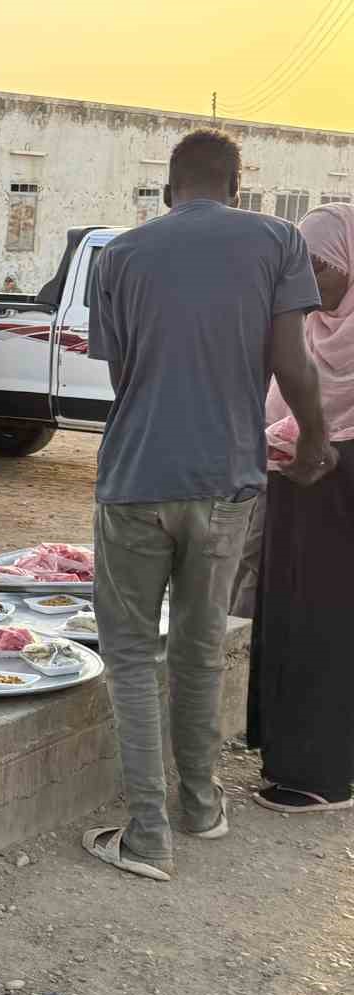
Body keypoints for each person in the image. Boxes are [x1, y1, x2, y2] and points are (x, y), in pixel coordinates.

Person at [83, 129, 333, 882]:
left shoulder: (119, 256)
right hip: (227, 479)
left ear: (167, 189)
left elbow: (123, 379)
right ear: (235, 184)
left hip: (134, 479)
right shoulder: (278, 241)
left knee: (130, 656)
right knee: (197, 651)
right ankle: (201, 806)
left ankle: (146, 837)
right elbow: (295, 363)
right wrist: (316, 442)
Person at [246, 202, 354, 814]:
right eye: (303, 263)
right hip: (299, 490)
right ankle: (287, 751)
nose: (311, 277)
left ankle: (322, 775)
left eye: (322, 263)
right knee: (289, 616)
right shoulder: (308, 329)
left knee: (327, 626)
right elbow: (278, 407)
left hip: (339, 498)